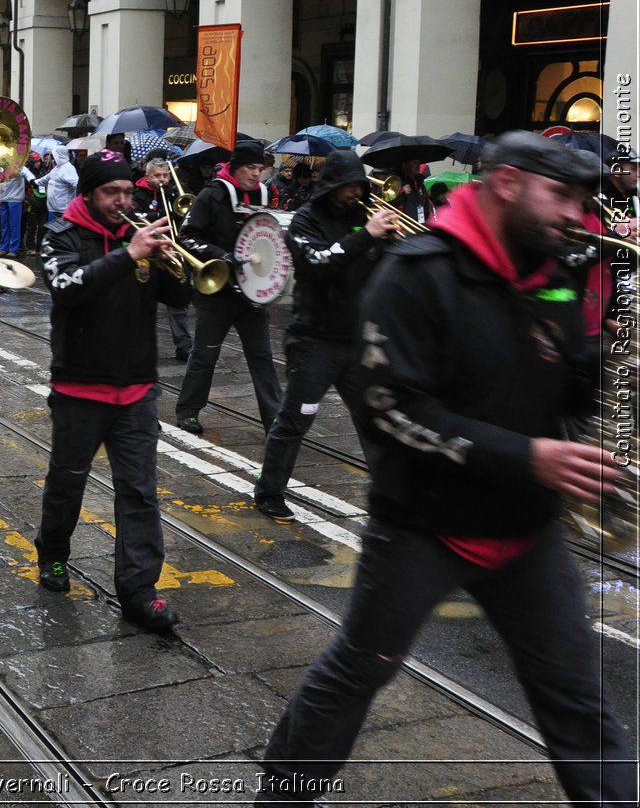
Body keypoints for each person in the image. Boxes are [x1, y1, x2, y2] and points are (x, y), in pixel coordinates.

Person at [256, 132, 634, 806]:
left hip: (525, 527)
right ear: (510, 183)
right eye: (564, 195)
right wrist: (528, 454)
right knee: (358, 671)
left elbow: (569, 381)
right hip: (423, 528)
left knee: (578, 698)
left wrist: (608, 363)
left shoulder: (553, 269)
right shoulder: (418, 270)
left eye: (585, 199)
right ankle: (282, 796)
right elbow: (391, 409)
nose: (578, 214)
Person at [33, 155, 191, 630]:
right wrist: (129, 255)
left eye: (128, 191)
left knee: (140, 492)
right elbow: (66, 287)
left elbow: (182, 299)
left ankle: (140, 591)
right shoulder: (61, 235)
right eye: (111, 193)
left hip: (136, 388)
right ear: (88, 194)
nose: (124, 201)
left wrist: (172, 260)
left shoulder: (138, 234)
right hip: (79, 386)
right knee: (68, 482)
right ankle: (53, 553)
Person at [251, 151, 398, 522]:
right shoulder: (306, 220)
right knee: (296, 418)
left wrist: (393, 244)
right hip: (315, 338)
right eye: (348, 186)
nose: (355, 193)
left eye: (359, 186)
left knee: (374, 419)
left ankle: (392, 497)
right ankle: (269, 492)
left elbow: (389, 273)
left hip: (358, 338)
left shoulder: (363, 217)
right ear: (331, 185)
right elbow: (318, 263)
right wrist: (367, 236)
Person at [173, 140, 284, 434]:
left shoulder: (264, 194)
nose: (256, 174)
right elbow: (187, 235)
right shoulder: (213, 194)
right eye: (250, 167)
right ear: (236, 167)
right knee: (205, 354)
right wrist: (221, 256)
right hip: (217, 290)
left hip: (251, 293)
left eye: (261, 168)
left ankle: (273, 417)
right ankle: (188, 411)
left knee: (261, 357)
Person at [134, 155, 193, 360]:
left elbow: (186, 216)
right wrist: (157, 218)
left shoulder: (175, 191)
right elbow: (135, 218)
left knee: (178, 302)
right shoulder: (138, 192)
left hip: (172, 251)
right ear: (148, 176)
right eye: (157, 175)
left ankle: (184, 345)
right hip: (148, 254)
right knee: (143, 301)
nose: (162, 179)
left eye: (165, 175)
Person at [0, 157, 36, 259]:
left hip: (15, 198)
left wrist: (31, 180)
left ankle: (13, 249)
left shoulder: (18, 165)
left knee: (14, 225)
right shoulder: (1, 165)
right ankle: (3, 248)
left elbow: (27, 174)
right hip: (4, 198)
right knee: (4, 224)